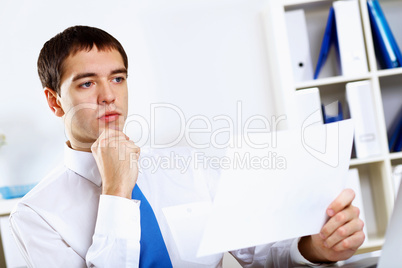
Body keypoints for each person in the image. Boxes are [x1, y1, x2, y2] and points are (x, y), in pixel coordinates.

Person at [9, 25, 365, 267]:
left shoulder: (187, 165)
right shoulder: (36, 216)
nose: (109, 96)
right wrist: (116, 192)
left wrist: (315, 247)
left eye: (118, 78)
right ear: (55, 102)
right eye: (87, 84)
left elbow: (261, 253)